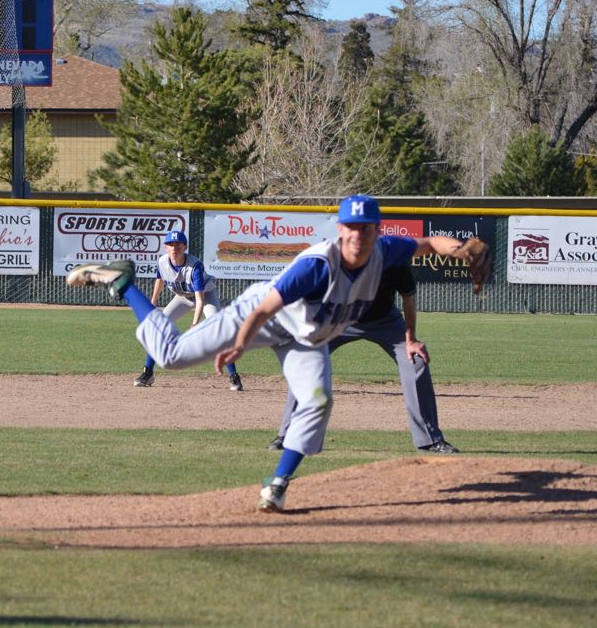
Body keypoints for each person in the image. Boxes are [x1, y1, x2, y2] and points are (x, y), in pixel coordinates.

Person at [66, 194, 487, 513]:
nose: (358, 235)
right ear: (340, 228)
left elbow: (429, 242)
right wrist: (239, 343)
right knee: (172, 355)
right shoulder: (318, 265)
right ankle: (123, 282)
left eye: (366, 228)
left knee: (318, 400)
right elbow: (266, 307)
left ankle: (278, 485)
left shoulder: (386, 251)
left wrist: (464, 247)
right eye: (351, 227)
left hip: (307, 338)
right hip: (262, 317)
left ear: (377, 231)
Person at [267, 263, 459, 454]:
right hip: (337, 321)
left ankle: (429, 440)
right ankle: (288, 436)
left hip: (385, 321)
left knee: (416, 362)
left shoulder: (393, 259)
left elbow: (408, 297)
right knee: (306, 364)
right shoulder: (334, 258)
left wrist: (411, 339)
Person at [134, 229, 243, 391]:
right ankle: (148, 373)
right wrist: (153, 302)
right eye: (170, 245)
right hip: (183, 296)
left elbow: (199, 299)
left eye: (178, 245)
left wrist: (195, 324)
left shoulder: (194, 266)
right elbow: (160, 280)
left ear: (185, 247)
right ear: (165, 247)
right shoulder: (162, 262)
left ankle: (234, 376)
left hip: (205, 296)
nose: (174, 248)